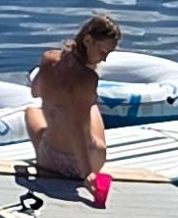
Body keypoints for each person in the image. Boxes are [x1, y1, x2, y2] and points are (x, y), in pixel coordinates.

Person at [24, 14, 122, 186]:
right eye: (103, 52)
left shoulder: (48, 59)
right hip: (86, 162)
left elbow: (35, 93)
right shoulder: (88, 79)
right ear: (88, 40)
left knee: (31, 111)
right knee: (90, 106)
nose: (104, 59)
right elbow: (77, 128)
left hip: (49, 159)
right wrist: (87, 174)